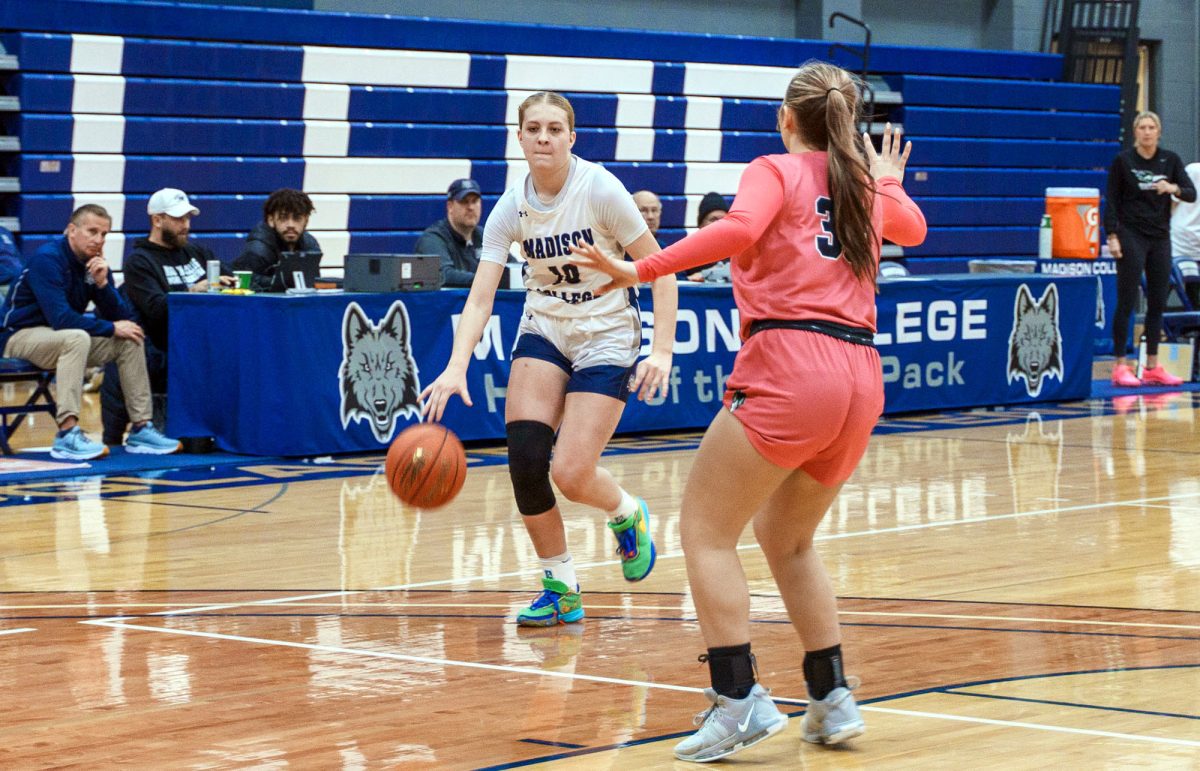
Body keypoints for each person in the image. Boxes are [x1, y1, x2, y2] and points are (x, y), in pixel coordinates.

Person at [572, 62, 927, 761]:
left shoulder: (774, 168)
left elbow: (739, 230)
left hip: (793, 363)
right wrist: (883, 175)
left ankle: (737, 700)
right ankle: (831, 696)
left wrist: (640, 268)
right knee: (788, 538)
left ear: (786, 118)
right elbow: (912, 226)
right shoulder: (859, 182)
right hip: (860, 376)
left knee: (704, 529)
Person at [421, 91, 678, 628]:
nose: (544, 137)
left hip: (606, 331)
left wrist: (661, 349)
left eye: (555, 129)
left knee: (571, 472)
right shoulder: (509, 208)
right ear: (519, 137)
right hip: (546, 326)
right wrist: (456, 364)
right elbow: (480, 297)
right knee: (525, 460)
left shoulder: (602, 189)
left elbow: (662, 268)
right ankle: (560, 586)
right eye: (533, 128)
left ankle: (626, 513)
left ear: (571, 137)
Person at [0, 204, 182, 460]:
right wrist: (110, 327)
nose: (98, 240)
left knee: (130, 337)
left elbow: (123, 317)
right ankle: (67, 434)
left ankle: (141, 428)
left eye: (104, 234)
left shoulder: (93, 265)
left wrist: (103, 284)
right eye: (92, 231)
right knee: (76, 337)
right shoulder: (47, 259)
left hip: (59, 338)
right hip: (17, 336)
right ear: (72, 230)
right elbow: (62, 319)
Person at [101, 188, 234, 446]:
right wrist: (191, 291)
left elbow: (232, 279)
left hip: (203, 346)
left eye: (187, 218)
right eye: (178, 219)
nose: (185, 225)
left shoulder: (200, 254)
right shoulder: (139, 262)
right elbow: (156, 310)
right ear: (157, 220)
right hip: (161, 346)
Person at [1104, 112, 1197, 387]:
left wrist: (1172, 187)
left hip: (1160, 236)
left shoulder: (1170, 160)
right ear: (1135, 133)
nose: (1147, 132)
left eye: (1151, 127)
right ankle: (1120, 364)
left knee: (1158, 302)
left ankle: (1153, 366)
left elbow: (1191, 193)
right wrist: (1111, 235)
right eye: (1142, 127)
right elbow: (1111, 201)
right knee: (1127, 298)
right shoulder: (1123, 161)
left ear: (1159, 132)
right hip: (1130, 234)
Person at [232, 188, 321, 292]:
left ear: (306, 220)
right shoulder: (258, 250)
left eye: (297, 218)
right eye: (283, 218)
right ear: (271, 220)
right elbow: (245, 287)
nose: (290, 225)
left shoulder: (310, 245)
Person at [415, 178, 485, 288]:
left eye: (475, 201)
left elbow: (510, 266)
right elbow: (444, 275)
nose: (471, 207)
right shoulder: (433, 239)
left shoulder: (484, 236)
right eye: (464, 202)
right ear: (450, 206)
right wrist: (488, 280)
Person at [683, 192, 732, 283]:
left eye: (723, 220)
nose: (719, 224)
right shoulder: (685, 252)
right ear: (701, 224)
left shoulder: (738, 253)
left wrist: (705, 274)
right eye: (713, 219)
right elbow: (675, 280)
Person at [1170, 162, 1200, 307]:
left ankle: (1191, 328)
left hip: (1197, 246)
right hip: (1179, 241)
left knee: (1194, 297)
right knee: (1162, 290)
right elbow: (1172, 202)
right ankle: (1152, 328)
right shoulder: (1193, 170)